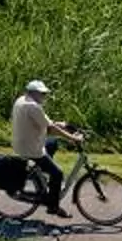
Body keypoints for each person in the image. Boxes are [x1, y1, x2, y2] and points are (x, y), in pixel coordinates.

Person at [12, 79, 84, 214]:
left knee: (52, 143)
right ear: (34, 93)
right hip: (31, 148)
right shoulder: (33, 106)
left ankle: (40, 175)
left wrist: (61, 124)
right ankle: (53, 206)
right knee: (58, 174)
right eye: (42, 94)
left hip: (22, 142)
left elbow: (45, 122)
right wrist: (72, 138)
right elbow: (50, 128)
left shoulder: (22, 100)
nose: (44, 96)